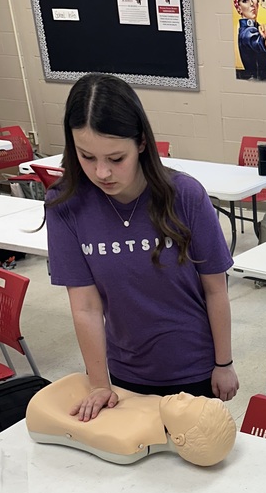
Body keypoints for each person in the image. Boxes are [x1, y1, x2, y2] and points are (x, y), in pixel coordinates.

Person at [45, 72, 239, 422]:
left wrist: (223, 363)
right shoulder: (66, 206)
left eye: (116, 158)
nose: (102, 172)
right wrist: (99, 383)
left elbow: (215, 289)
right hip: (126, 373)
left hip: (193, 368)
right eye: (87, 157)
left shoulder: (185, 196)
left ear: (142, 144)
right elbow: (86, 307)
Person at [26, 373, 237, 466]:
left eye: (187, 405)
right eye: (194, 398)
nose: (184, 395)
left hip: (47, 406)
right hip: (80, 387)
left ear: (179, 439)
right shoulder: (163, 405)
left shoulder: (127, 440)